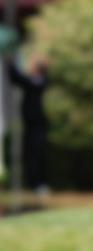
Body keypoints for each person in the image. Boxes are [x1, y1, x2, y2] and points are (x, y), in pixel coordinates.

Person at [5, 55, 50, 195]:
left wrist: (10, 62)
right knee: (30, 155)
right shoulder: (35, 80)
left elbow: (20, 79)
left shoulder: (40, 80)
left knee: (36, 154)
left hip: (38, 125)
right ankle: (35, 184)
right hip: (31, 125)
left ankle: (39, 184)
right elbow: (17, 79)